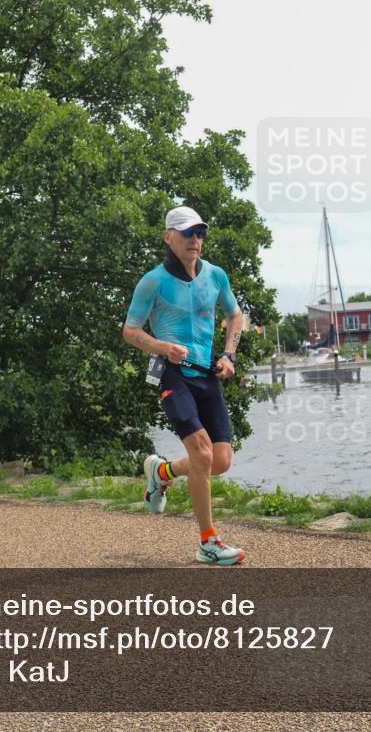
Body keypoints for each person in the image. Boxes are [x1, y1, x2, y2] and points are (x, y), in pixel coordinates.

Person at [123, 206, 246, 565]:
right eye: (188, 232)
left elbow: (235, 315)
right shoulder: (153, 282)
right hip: (171, 374)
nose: (196, 239)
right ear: (168, 237)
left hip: (206, 373)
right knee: (203, 455)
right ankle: (208, 542)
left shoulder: (216, 276)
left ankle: (162, 473)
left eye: (200, 233)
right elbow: (130, 332)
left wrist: (229, 355)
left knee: (219, 461)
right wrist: (162, 346)